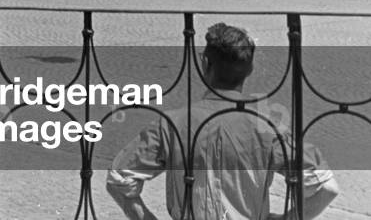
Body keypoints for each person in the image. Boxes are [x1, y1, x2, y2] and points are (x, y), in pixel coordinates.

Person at [107, 22, 338, 220]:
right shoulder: (267, 127)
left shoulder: (172, 123)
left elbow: (118, 180)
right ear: (250, 70)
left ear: (206, 64)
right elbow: (326, 187)